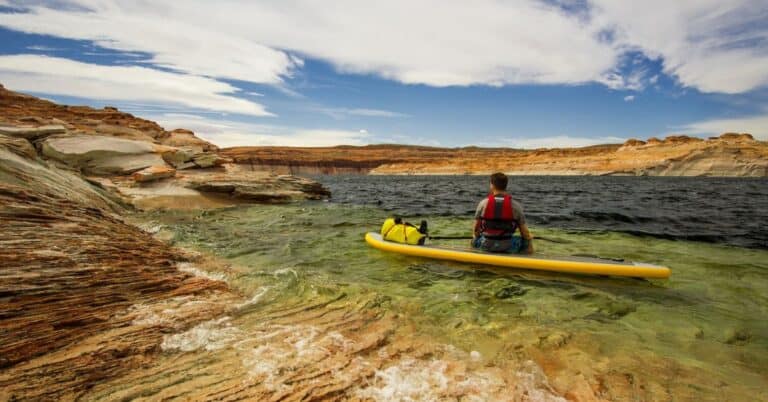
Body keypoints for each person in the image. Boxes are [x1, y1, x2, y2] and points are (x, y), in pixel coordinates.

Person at [472, 172, 534, 254]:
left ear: (492, 185)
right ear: (506, 185)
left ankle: (474, 254)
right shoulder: (516, 206)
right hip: (508, 247)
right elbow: (524, 233)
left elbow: (476, 229)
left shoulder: (483, 204)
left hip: (486, 245)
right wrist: (529, 239)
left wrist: (476, 237)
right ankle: (530, 257)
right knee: (526, 240)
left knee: (475, 238)